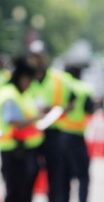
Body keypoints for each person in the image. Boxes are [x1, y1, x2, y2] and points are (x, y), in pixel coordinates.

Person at [27, 40, 77, 202]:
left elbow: (72, 102)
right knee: (28, 177)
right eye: (34, 56)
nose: (37, 60)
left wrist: (57, 109)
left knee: (57, 178)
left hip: (54, 133)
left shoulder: (59, 78)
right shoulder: (25, 78)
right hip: (31, 133)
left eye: (39, 56)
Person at [0, 56, 44, 202]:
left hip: (23, 150)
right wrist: (38, 118)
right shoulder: (9, 95)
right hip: (13, 152)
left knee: (24, 192)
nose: (30, 84)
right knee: (15, 192)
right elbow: (15, 122)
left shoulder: (21, 94)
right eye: (29, 80)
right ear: (22, 78)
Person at [58, 61, 95, 202]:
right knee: (83, 176)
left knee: (64, 175)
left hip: (60, 136)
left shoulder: (61, 86)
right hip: (76, 136)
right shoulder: (83, 88)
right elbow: (89, 109)